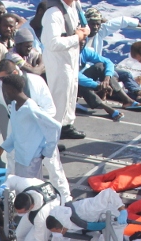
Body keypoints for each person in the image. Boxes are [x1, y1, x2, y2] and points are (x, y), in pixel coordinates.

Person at [0, 59, 71, 202]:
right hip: (17, 130)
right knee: (12, 168)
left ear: (14, 74)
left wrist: (42, 144)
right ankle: (11, 201)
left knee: (53, 167)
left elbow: (51, 113)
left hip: (38, 134)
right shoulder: (2, 91)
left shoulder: (34, 89)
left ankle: (65, 200)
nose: (0, 83)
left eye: (3, 79)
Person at [0, 74, 62, 180]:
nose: (4, 94)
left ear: (11, 90)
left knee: (31, 192)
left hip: (31, 161)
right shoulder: (14, 106)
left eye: (5, 90)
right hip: (20, 159)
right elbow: (16, 133)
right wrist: (2, 147)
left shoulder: (31, 108)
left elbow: (55, 127)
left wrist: (46, 152)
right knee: (23, 191)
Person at [40, 0, 90, 140]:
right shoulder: (53, 13)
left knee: (71, 93)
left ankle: (66, 125)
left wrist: (85, 31)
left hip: (72, 58)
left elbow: (84, 24)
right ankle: (51, 136)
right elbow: (52, 43)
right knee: (59, 96)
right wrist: (77, 38)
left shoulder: (75, 5)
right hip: (59, 61)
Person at [82, 7, 141, 108]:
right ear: (86, 23)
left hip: (101, 68)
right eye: (93, 24)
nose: (96, 27)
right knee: (112, 74)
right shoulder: (80, 37)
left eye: (98, 24)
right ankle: (128, 100)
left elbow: (122, 20)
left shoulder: (100, 32)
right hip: (85, 73)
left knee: (126, 74)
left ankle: (138, 93)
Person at [77, 38, 139, 119]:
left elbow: (108, 62)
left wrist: (107, 79)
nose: (82, 42)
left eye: (84, 40)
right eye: (79, 40)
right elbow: (76, 76)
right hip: (66, 84)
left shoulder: (84, 51)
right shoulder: (66, 53)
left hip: (82, 80)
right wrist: (98, 86)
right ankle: (107, 108)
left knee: (100, 66)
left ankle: (127, 100)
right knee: (79, 82)